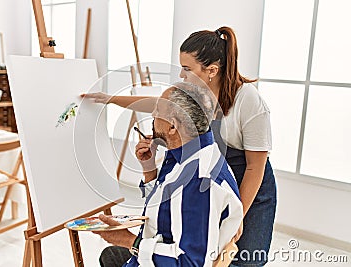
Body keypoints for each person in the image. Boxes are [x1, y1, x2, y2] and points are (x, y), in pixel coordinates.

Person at [83, 26, 277, 267]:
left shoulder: (248, 100)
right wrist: (110, 99)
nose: (182, 75)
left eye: (187, 69)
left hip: (247, 179)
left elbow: (254, 168)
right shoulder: (195, 96)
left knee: (241, 257)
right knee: (207, 245)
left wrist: (238, 215)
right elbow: (160, 104)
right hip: (213, 178)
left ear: (211, 71)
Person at [94, 82, 243, 267]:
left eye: (157, 110)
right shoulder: (184, 153)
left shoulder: (200, 181)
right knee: (110, 255)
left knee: (113, 254)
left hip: (161, 259)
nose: (152, 115)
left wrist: (128, 241)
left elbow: (190, 263)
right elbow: (168, 207)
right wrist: (149, 170)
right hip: (155, 248)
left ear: (173, 126)